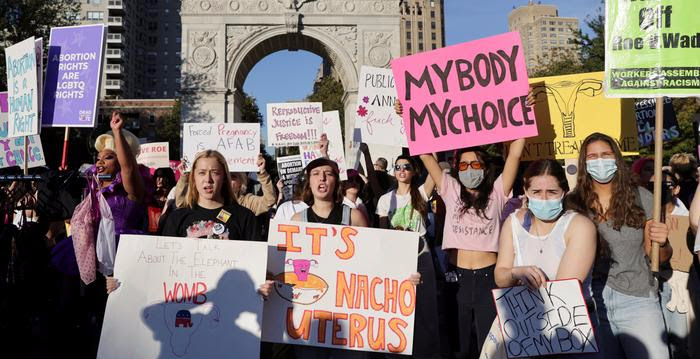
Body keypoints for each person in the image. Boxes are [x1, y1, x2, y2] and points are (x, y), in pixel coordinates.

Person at [396, 99, 525, 357]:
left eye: (475, 165)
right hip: (457, 280)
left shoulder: (498, 192)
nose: (469, 169)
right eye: (463, 165)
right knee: (458, 345)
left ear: (485, 169)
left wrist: (524, 111)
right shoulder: (451, 190)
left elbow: (515, 154)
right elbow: (424, 153)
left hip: (490, 277)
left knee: (489, 346)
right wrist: (408, 116)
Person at [565, 132, 671, 359]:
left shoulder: (642, 197)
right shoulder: (573, 204)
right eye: (592, 157)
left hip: (637, 300)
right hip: (591, 304)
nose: (600, 161)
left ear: (617, 158)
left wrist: (661, 243)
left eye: (605, 154)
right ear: (584, 163)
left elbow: (660, 256)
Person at [493, 160, 599, 357]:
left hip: (569, 335)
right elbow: (500, 275)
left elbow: (563, 290)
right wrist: (516, 272)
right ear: (525, 191)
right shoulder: (512, 224)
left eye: (551, 192)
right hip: (524, 332)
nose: (543, 198)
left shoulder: (579, 226)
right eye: (536, 192)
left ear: (564, 192)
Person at [375, 155, 442, 358]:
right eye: (397, 167)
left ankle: (426, 352)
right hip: (395, 258)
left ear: (413, 171)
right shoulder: (385, 199)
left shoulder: (421, 193)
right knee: (397, 307)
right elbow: (382, 233)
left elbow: (434, 170)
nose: (402, 170)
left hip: (421, 255)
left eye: (406, 167)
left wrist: (431, 149)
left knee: (425, 307)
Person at [160, 150, 260, 241]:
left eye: (215, 173)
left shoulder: (245, 218)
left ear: (224, 177)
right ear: (193, 178)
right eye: (202, 173)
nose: (208, 179)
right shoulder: (177, 218)